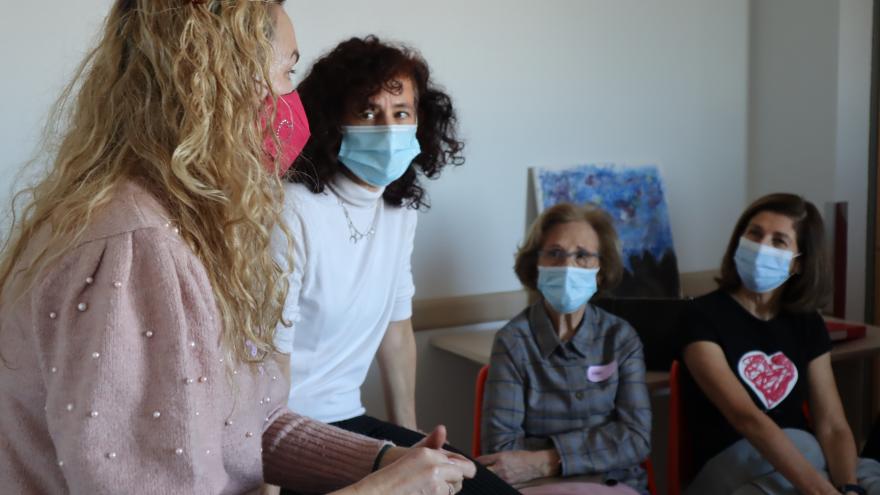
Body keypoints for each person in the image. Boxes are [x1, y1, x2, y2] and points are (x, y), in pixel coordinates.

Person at [0, 1, 475, 493]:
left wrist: (382, 461)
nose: (295, 101)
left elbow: (249, 423)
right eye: (287, 72)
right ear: (218, 83)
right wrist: (380, 489)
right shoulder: (138, 247)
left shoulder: (186, 220)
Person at [273, 35, 517, 494]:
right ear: (331, 122)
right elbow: (271, 356)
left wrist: (415, 445)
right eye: (368, 113)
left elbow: (397, 328)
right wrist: (265, 475)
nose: (388, 128)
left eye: (401, 113)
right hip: (290, 436)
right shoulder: (293, 209)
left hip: (351, 421)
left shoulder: (398, 211)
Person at [680, 193, 880, 495]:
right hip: (729, 469)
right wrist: (821, 490)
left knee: (868, 477)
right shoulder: (700, 317)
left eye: (779, 242)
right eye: (755, 234)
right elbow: (747, 419)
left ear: (799, 264)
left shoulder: (806, 321)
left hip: (798, 464)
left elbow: (832, 424)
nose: (762, 247)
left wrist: (848, 486)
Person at [478, 203, 651, 495]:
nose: (568, 266)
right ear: (536, 264)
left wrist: (549, 460)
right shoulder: (513, 341)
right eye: (555, 254)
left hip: (612, 484)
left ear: (600, 270)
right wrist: (596, 449)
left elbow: (635, 438)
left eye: (582, 256)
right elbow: (501, 450)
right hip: (535, 488)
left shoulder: (620, 337)